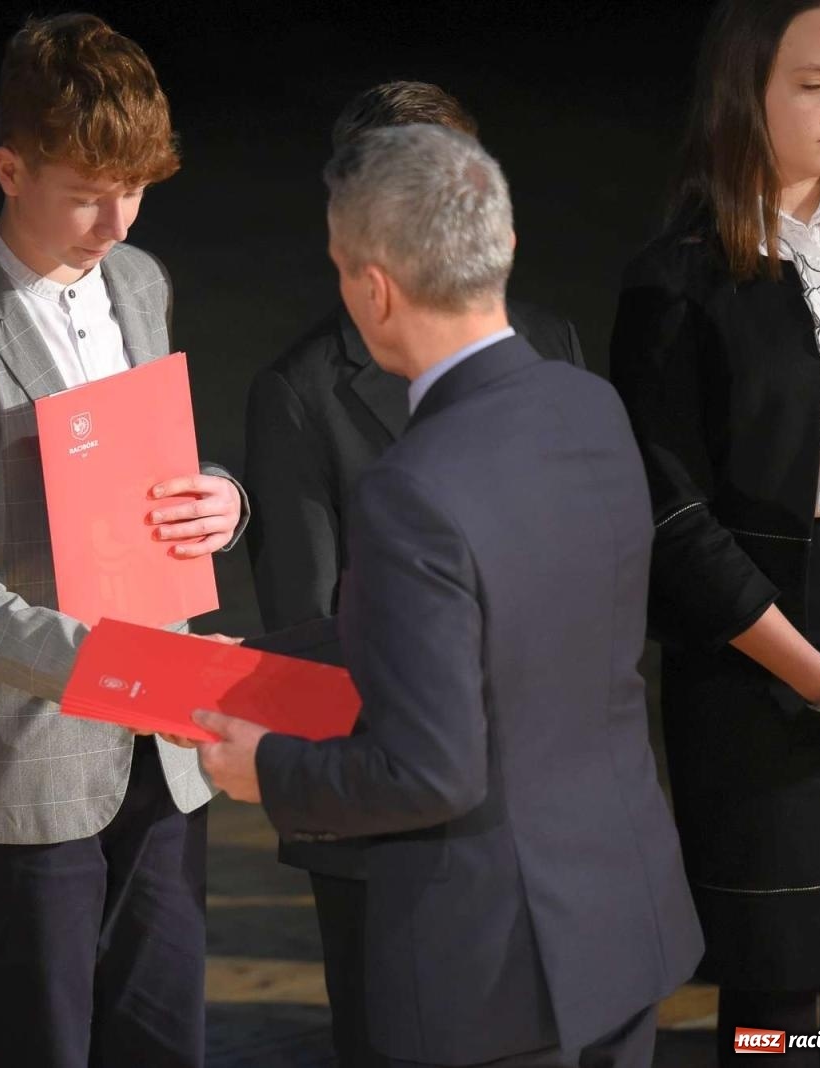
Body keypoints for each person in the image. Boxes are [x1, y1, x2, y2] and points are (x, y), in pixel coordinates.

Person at [191, 124, 702, 1067]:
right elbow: (507, 629)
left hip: (495, 971)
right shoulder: (588, 406)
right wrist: (257, 666)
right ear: (501, 245)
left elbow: (432, 771)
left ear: (374, 290)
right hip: (620, 928)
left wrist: (266, 769)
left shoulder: (412, 487)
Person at [0, 13, 247, 1067]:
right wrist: (125, 670)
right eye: (87, 192)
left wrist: (224, 501)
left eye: (134, 190)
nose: (114, 222)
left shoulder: (141, 283)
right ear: (8, 170)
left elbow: (154, 476)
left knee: (164, 1042)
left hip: (163, 757)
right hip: (27, 765)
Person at [241, 81, 585, 1067]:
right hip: (392, 829)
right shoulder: (301, 393)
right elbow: (311, 635)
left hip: (540, 809)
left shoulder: (548, 344)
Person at [608, 0, 820, 1053]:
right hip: (758, 671)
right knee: (775, 1011)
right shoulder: (676, 280)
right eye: (812, 84)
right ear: (745, 94)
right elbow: (673, 517)